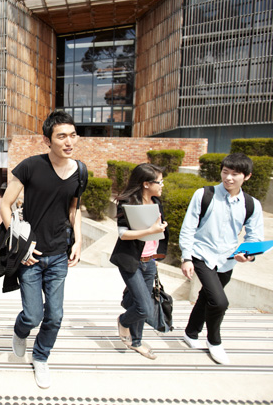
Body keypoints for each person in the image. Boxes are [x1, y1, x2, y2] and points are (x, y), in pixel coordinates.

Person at [0, 110, 86, 389]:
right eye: (62, 136)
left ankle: (41, 357)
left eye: (72, 135)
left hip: (59, 253)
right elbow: (4, 206)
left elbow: (74, 208)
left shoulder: (80, 171)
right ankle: (20, 330)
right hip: (31, 256)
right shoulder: (30, 166)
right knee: (33, 315)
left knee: (55, 315)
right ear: (47, 140)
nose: (69, 141)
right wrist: (21, 247)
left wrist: (79, 239)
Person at [179, 153, 264, 365]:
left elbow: (254, 237)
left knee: (206, 297)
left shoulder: (251, 205)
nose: (228, 178)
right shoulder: (204, 194)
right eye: (225, 172)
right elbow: (188, 227)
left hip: (227, 259)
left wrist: (248, 256)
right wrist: (186, 257)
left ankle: (191, 333)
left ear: (247, 176)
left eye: (235, 174)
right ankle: (214, 342)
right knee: (219, 302)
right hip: (201, 254)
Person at [110, 163, 169, 360]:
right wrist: (151, 231)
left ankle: (136, 342)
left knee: (138, 302)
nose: (162, 185)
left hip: (150, 261)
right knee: (144, 307)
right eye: (159, 182)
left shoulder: (156, 203)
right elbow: (123, 234)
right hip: (131, 261)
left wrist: (157, 252)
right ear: (146, 183)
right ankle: (123, 321)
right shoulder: (128, 203)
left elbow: (158, 233)